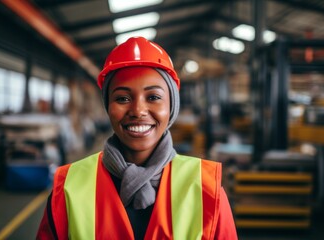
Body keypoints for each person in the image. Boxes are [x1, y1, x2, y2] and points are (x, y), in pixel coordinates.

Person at [36, 37, 237, 240]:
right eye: (122, 98)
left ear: (171, 107)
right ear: (108, 107)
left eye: (153, 97)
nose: (138, 110)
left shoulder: (207, 189)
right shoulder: (69, 187)